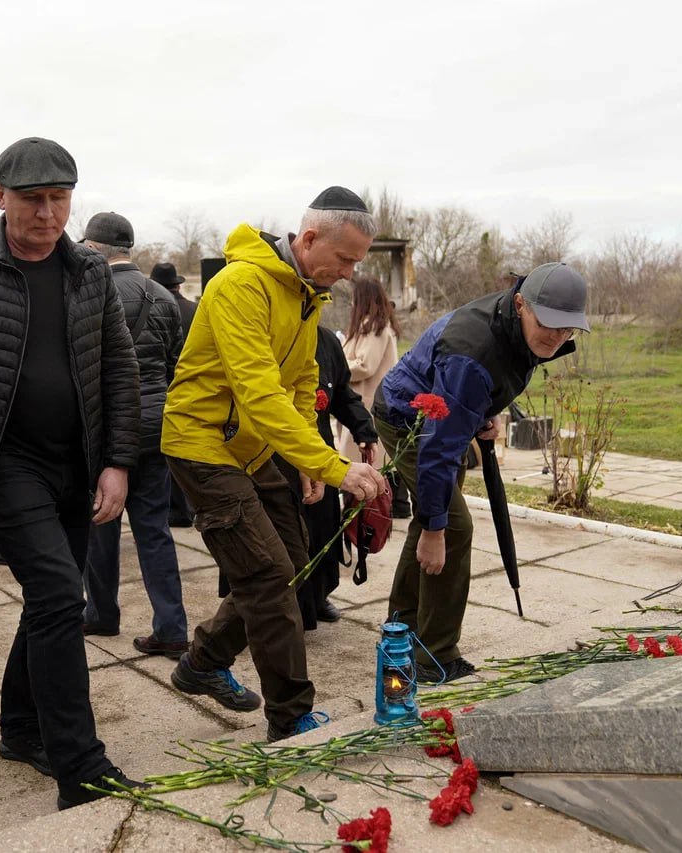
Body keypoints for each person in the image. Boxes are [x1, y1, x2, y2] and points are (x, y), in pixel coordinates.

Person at [0, 137, 143, 810]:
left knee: (52, 597)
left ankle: (20, 727)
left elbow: (119, 370)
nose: (47, 214)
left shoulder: (90, 273)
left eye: (59, 199)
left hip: (78, 462)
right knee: (57, 597)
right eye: (32, 200)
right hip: (4, 463)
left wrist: (118, 461)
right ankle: (82, 764)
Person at [161, 186, 387, 743]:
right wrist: (333, 466)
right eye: (345, 259)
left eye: (357, 262)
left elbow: (303, 380)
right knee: (267, 577)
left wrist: (303, 455)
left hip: (255, 444)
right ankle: (290, 718)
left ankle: (203, 662)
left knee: (291, 560)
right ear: (309, 239)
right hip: (203, 443)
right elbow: (259, 391)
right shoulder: (242, 284)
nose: (349, 272)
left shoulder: (306, 291)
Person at [374, 262, 588, 683]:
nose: (557, 337)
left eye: (568, 330)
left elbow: (485, 382)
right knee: (449, 526)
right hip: (407, 418)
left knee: (435, 518)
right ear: (522, 303)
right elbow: (437, 445)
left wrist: (483, 412)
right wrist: (436, 531)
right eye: (549, 324)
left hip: (439, 413)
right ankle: (433, 657)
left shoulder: (517, 327)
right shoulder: (473, 352)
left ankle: (399, 632)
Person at [81, 213, 189, 657]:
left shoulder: (89, 292)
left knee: (100, 525)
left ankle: (102, 613)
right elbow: (175, 368)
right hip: (155, 426)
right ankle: (171, 624)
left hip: (106, 428)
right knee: (154, 530)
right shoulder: (164, 297)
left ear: (93, 249)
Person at [275, 325, 378, 630]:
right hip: (274, 453)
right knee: (283, 536)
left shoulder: (326, 340)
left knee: (321, 529)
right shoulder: (274, 333)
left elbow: (343, 394)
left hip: (319, 451)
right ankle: (276, 608)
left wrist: (363, 428)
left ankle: (317, 597)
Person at [338, 275, 407, 517]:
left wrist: (334, 367)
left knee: (370, 456)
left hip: (368, 401)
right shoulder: (370, 326)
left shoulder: (375, 327)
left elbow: (365, 365)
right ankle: (388, 506)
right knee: (374, 456)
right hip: (365, 400)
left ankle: (387, 507)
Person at [151, 261, 199, 529]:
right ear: (179, 284)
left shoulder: (156, 309)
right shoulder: (195, 309)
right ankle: (191, 505)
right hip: (196, 388)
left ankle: (177, 509)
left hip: (165, 387)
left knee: (167, 455)